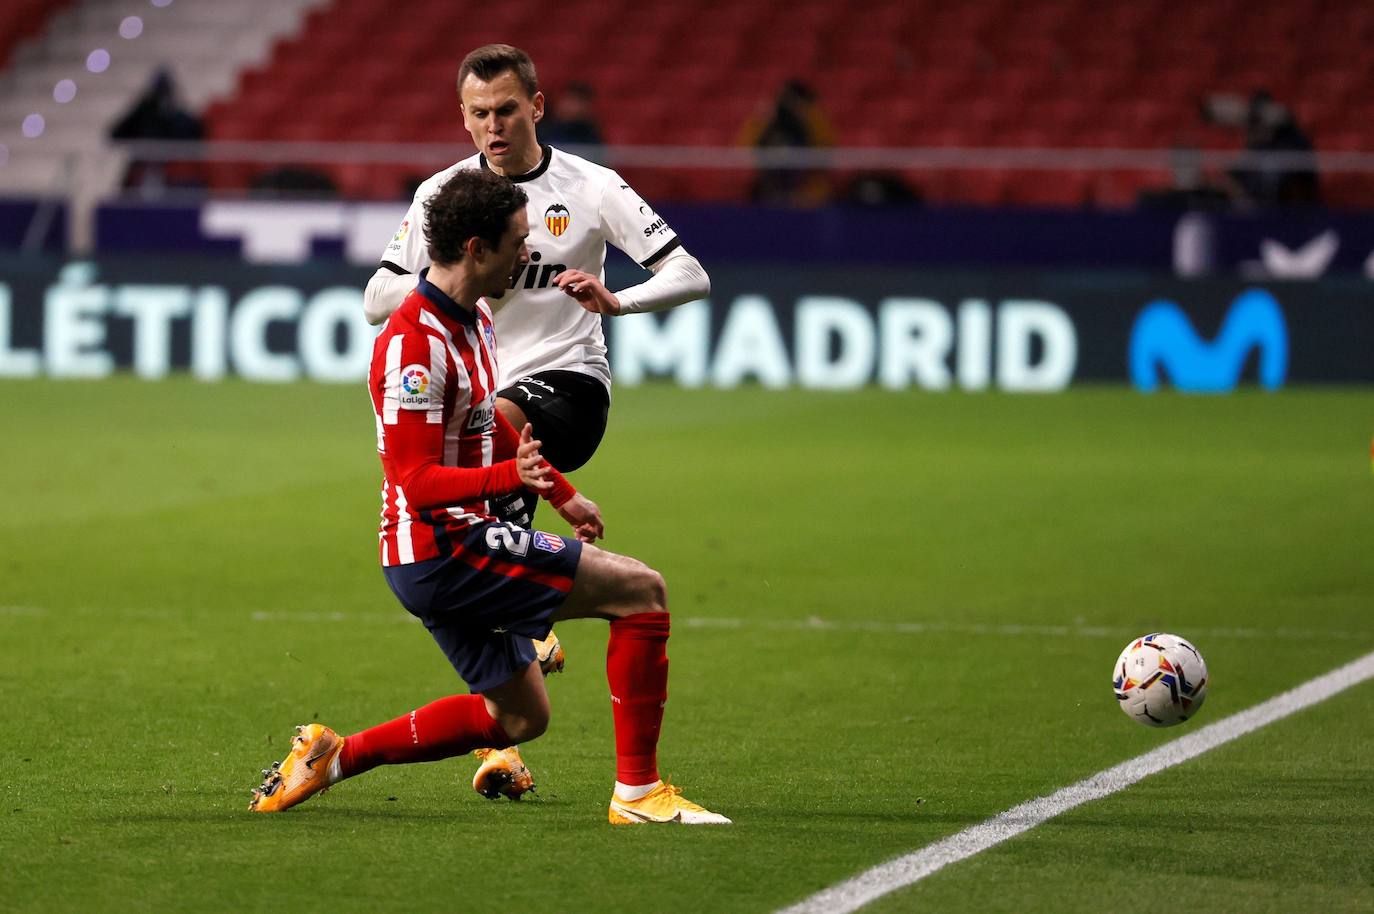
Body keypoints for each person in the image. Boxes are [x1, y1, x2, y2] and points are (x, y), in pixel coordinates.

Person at [250, 170, 728, 826]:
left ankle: (333, 757)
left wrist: (562, 494)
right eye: (517, 243)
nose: (529, 256)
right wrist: (512, 482)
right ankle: (639, 796)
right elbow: (415, 483)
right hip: (444, 550)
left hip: (441, 551)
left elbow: (488, 420)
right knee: (642, 595)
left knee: (520, 717)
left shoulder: (473, 314)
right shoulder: (413, 348)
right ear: (476, 249)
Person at [361, 44, 710, 796]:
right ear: (462, 116)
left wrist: (620, 301)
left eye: (507, 110)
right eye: (478, 114)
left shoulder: (590, 186)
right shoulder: (444, 200)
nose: (493, 126)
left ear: (537, 107)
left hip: (569, 384)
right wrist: (453, 279)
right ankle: (510, 712)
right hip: (482, 387)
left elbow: (690, 273)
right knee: (475, 471)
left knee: (498, 431)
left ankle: (529, 630)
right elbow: (376, 298)